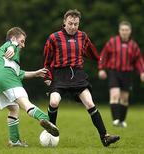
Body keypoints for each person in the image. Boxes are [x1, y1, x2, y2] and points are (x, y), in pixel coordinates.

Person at [43, 9, 120, 147]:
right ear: (64, 22)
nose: (73, 27)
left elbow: (93, 54)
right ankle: (51, 129)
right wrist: (47, 76)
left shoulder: (82, 36)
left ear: (79, 24)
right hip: (60, 75)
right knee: (54, 102)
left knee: (90, 104)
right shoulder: (54, 38)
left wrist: (103, 61)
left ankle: (105, 137)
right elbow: (47, 60)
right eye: (70, 23)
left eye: (76, 24)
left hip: (78, 75)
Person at [0, 27, 59, 147]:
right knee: (25, 103)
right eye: (22, 41)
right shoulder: (10, 45)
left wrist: (36, 73)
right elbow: (12, 44)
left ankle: (15, 141)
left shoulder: (5, 59)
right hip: (7, 78)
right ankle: (44, 118)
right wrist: (13, 45)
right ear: (14, 38)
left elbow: (19, 74)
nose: (23, 45)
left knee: (14, 109)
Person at [98, 21, 144, 127]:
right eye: (122, 30)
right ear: (119, 31)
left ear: (130, 31)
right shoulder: (112, 42)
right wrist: (101, 69)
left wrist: (142, 72)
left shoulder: (133, 45)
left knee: (124, 99)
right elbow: (103, 55)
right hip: (114, 72)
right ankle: (115, 120)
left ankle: (122, 121)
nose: (124, 32)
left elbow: (139, 60)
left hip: (127, 73)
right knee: (115, 94)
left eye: (126, 30)